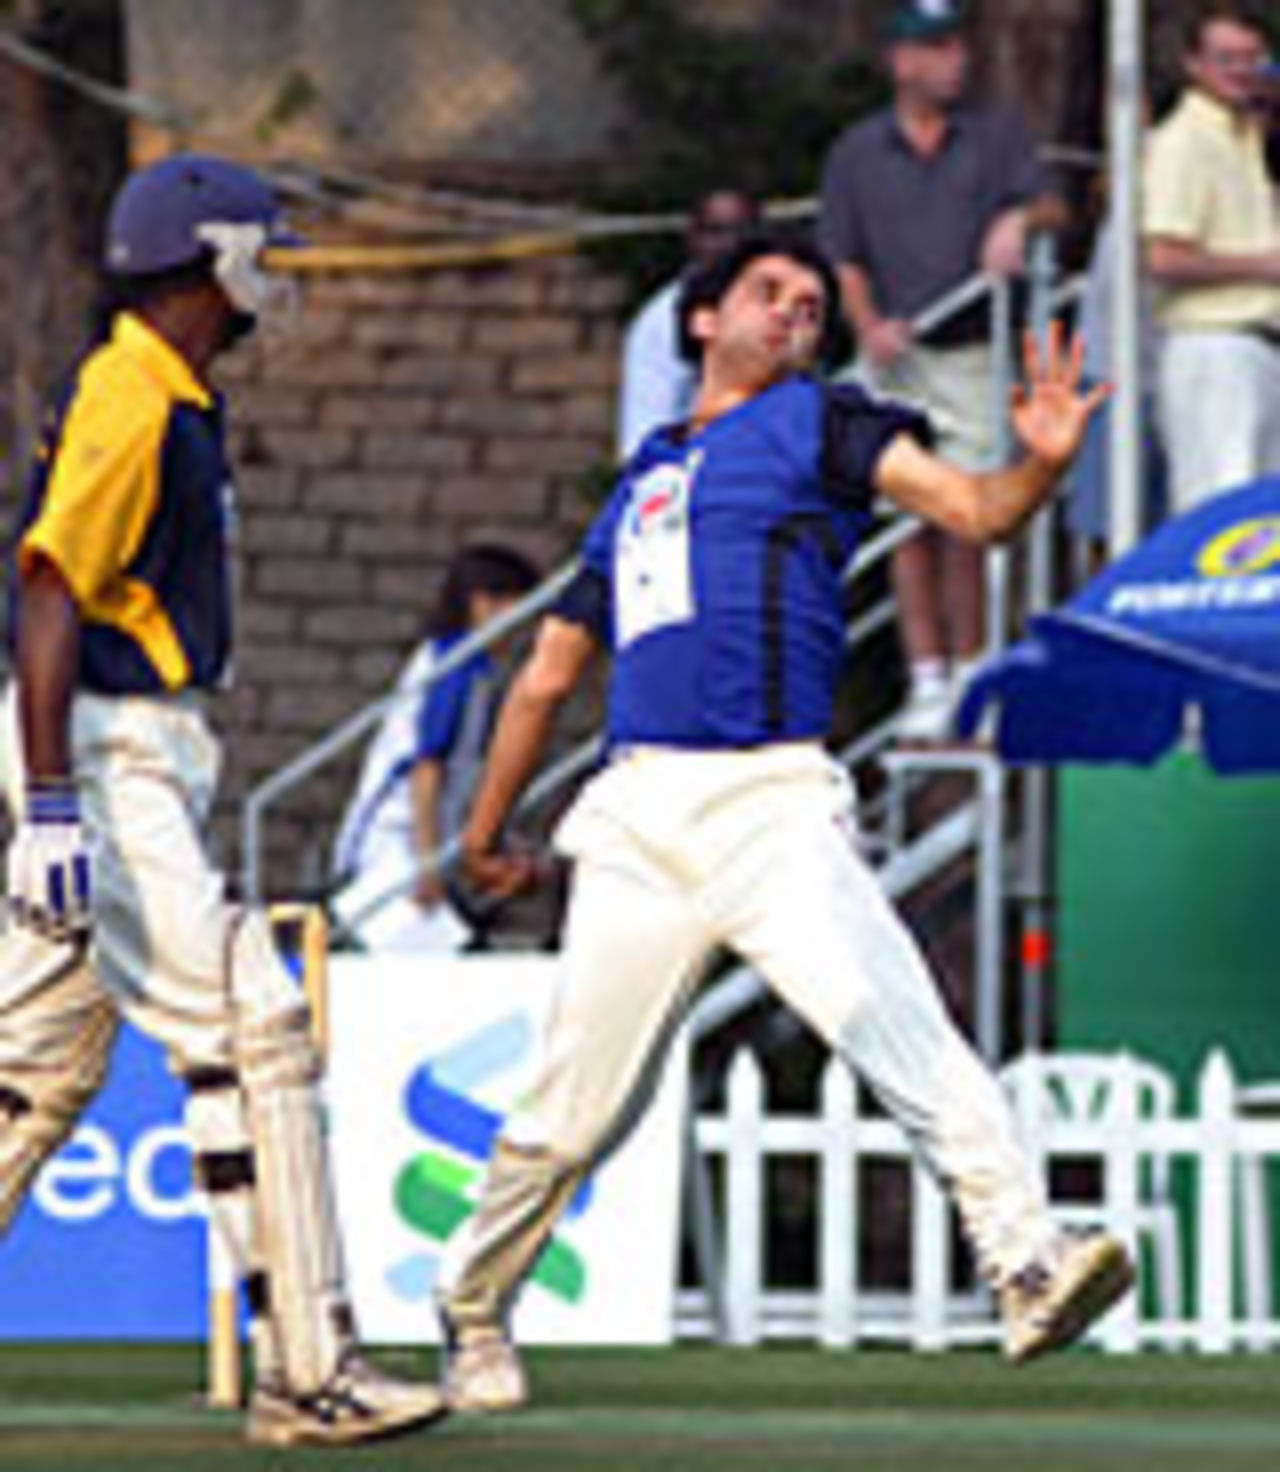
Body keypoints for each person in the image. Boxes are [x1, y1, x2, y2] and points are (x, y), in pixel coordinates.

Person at [432, 231, 1134, 1413]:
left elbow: (973, 509)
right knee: (569, 1115)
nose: (796, 313)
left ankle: (1025, 1258)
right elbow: (546, 677)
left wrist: (1041, 464)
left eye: (812, 301)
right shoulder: (639, 482)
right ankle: (468, 1306)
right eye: (769, 294)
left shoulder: (825, 421)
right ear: (700, 322)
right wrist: (481, 831)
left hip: (770, 802)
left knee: (897, 1021)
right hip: (638, 812)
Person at [0, 154, 445, 1448]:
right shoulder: (133, 396)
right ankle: (314, 1369)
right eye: (265, 253)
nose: (275, 276)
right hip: (106, 749)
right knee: (254, 1018)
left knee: (32, 1066)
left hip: (119, 749)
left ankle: (310, 1368)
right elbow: (43, 590)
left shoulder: (166, 391)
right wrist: (52, 805)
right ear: (212, 260)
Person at [818, 0, 1064, 742]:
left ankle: (971, 665)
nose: (955, 59)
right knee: (906, 519)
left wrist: (1018, 221)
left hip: (973, 350)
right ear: (901, 61)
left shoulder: (995, 136)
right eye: (936, 48)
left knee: (969, 511)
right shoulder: (857, 151)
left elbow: (1056, 203)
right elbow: (843, 256)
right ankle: (926, 675)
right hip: (897, 355)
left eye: (957, 45)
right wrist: (868, 328)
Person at [331, 543, 539, 953]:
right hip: (393, 842)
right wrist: (426, 864)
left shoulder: (481, 673)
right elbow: (427, 768)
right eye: (519, 609)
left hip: (423, 840)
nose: (525, 628)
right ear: (482, 604)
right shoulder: (452, 666)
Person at [1142, 2, 1280, 513]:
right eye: (1226, 59)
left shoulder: (1245, 133)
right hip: (1215, 349)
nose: (1242, 71)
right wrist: (1265, 266)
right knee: (1221, 516)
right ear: (1194, 66)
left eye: (1252, 58)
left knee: (1261, 523)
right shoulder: (1184, 142)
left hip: (1259, 348)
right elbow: (1162, 257)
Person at [617, 187, 760, 461]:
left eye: (743, 233)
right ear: (692, 238)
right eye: (716, 232)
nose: (730, 245)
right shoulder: (660, 324)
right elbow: (643, 440)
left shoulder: (784, 312)